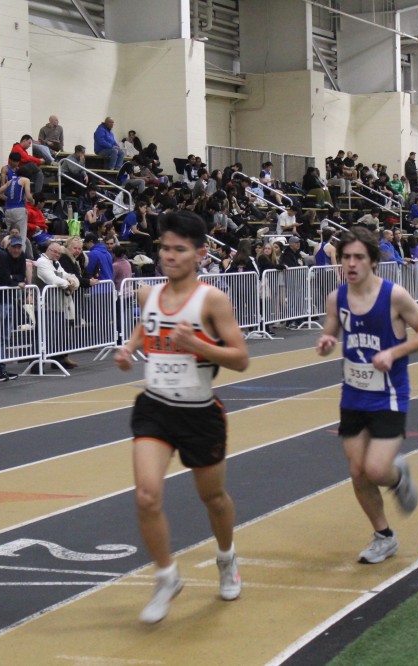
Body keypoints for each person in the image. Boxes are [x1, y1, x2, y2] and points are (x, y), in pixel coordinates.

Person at [114, 210, 249, 624]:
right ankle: (166, 576)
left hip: (199, 413)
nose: (169, 256)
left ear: (200, 254)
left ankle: (226, 557)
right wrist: (129, 347)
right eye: (165, 249)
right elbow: (147, 326)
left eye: (180, 250)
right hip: (155, 408)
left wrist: (199, 345)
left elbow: (240, 358)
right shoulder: (147, 294)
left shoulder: (212, 301)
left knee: (213, 498)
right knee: (146, 496)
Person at [315, 227, 418, 564]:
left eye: (358, 257)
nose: (351, 264)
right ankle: (384, 536)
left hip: (388, 395)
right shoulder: (337, 298)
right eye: (346, 258)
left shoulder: (394, 296)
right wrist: (326, 342)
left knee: (377, 470)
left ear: (372, 262)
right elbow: (331, 333)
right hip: (353, 394)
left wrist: (393, 353)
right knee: (358, 472)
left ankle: (398, 475)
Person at [0, 235, 27, 382]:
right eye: (14, 247)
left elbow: (21, 276)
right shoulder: (2, 257)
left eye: (18, 247)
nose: (16, 250)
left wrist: (13, 279)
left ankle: (1, 366)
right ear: (8, 247)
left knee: (5, 336)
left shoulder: (22, 256)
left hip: (9, 300)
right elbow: (5, 279)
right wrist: (15, 281)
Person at [0, 152, 34, 241]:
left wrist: (8, 198)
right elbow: (28, 196)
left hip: (9, 208)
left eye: (17, 162)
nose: (16, 163)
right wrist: (32, 201)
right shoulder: (25, 179)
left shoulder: (11, 180)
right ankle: (21, 250)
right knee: (21, 236)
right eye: (15, 161)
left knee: (10, 236)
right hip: (18, 207)